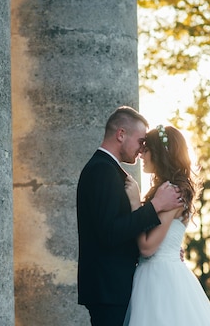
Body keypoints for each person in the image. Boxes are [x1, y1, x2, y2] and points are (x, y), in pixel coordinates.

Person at [76, 106, 183, 326]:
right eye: (141, 141)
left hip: (115, 288)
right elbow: (109, 233)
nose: (142, 149)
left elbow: (118, 230)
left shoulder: (111, 171)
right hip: (108, 289)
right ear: (121, 134)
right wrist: (153, 207)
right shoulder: (102, 171)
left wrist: (165, 247)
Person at [124, 125, 210, 325]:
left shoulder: (173, 192)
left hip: (159, 277)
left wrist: (135, 203)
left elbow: (147, 247)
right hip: (158, 272)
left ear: (160, 154)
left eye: (147, 149)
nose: (141, 155)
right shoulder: (166, 190)